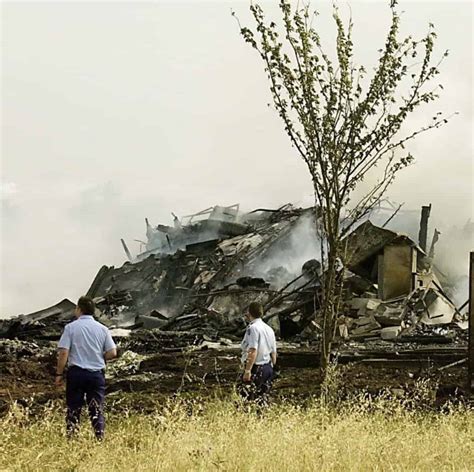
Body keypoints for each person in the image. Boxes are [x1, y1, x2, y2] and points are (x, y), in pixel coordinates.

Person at [55, 296, 117, 440]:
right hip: (96, 374)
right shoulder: (103, 329)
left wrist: (59, 374)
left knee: (74, 407)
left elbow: (64, 352)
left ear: (79, 309)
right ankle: (99, 438)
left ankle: (72, 438)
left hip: (76, 373)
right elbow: (112, 352)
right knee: (96, 408)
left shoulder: (71, 328)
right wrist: (100, 358)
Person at [240, 301, 277, 404]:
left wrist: (248, 370)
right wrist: (272, 367)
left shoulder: (253, 328)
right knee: (263, 399)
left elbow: (253, 350)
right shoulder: (269, 329)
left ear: (249, 313)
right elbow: (273, 353)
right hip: (267, 367)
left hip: (256, 368)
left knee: (249, 398)